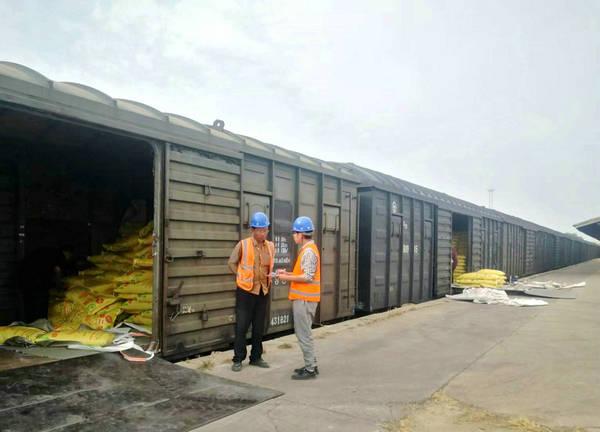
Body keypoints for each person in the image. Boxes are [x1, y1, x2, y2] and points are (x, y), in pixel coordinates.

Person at [227, 211, 275, 372]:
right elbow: (231, 262)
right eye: (260, 230)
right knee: (241, 326)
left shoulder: (270, 246)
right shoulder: (243, 245)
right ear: (253, 230)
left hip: (263, 291)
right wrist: (241, 276)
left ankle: (256, 357)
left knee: (259, 326)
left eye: (265, 230)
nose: (263, 233)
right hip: (245, 292)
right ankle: (238, 358)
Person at [276, 216, 321, 380]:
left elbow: (307, 277)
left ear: (301, 234)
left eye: (294, 233)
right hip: (305, 299)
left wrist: (285, 278)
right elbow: (302, 274)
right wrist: (287, 273)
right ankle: (311, 364)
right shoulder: (308, 250)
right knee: (305, 333)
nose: (293, 236)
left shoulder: (308, 252)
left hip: (304, 300)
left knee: (303, 334)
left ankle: (310, 369)